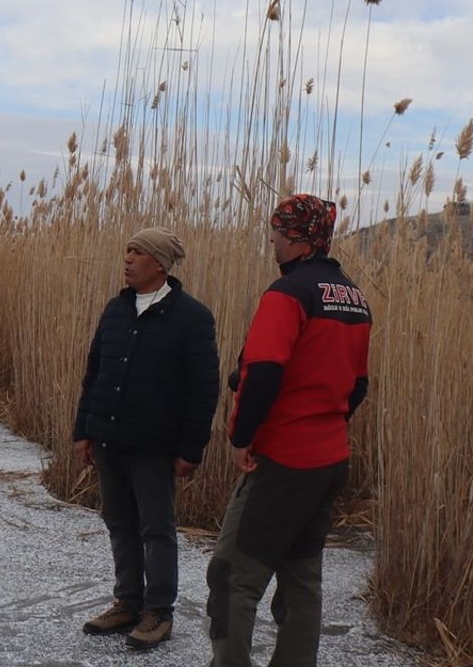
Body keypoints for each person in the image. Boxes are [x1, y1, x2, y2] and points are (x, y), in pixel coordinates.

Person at [206, 194, 372, 667]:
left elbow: (261, 372)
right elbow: (358, 385)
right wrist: (325, 423)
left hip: (284, 459)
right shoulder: (354, 298)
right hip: (329, 458)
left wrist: (242, 438)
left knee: (231, 576)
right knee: (301, 578)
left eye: (277, 231)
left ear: (297, 238)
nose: (271, 239)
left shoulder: (287, 293)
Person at [74, 227, 220, 651]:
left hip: (155, 445)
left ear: (159, 263)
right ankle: (128, 601)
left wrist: (191, 449)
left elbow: (203, 389)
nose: (127, 258)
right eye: (127, 249)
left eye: (137, 252)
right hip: (109, 439)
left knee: (156, 529)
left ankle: (158, 611)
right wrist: (85, 430)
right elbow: (94, 372)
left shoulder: (192, 317)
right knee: (119, 522)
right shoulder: (116, 309)